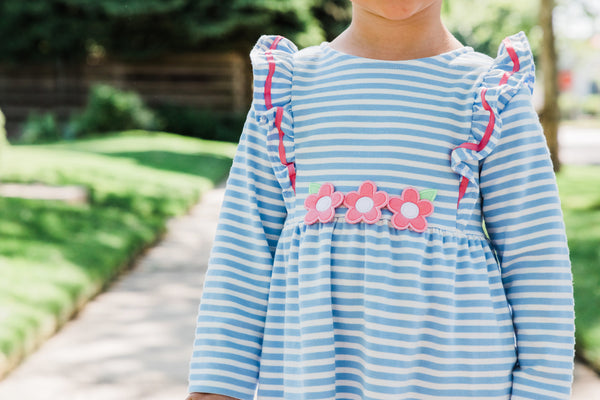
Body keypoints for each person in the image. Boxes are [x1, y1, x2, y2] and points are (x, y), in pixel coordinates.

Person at [186, 0, 575, 399]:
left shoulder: (491, 96)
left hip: (457, 381)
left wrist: (541, 390)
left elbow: (537, 265)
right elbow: (242, 253)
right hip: (313, 381)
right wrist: (217, 386)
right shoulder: (287, 91)